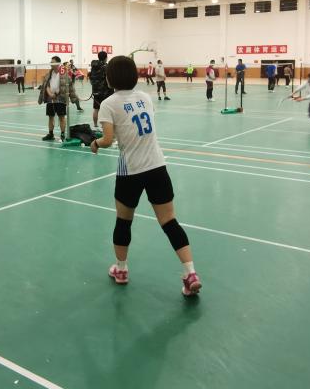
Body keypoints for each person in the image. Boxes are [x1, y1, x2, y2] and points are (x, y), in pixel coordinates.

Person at [90, 55, 202, 296]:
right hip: (157, 167)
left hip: (130, 171)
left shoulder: (109, 104)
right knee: (170, 221)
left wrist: (95, 143)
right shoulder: (145, 97)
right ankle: (190, 273)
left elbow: (108, 140)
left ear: (110, 78)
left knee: (123, 221)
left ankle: (121, 270)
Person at [38, 56, 78, 141]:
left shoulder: (64, 74)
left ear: (58, 63)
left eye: (53, 62)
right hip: (50, 99)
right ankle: (50, 134)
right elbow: (46, 85)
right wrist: (49, 94)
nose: (51, 63)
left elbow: (69, 86)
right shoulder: (49, 74)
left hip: (60, 98)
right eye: (51, 62)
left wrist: (73, 98)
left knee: (61, 117)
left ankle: (62, 134)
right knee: (50, 117)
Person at [90, 51, 111, 126]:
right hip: (105, 92)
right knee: (106, 109)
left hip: (96, 91)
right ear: (106, 58)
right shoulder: (106, 67)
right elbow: (109, 78)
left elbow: (91, 77)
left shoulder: (93, 66)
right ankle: (104, 126)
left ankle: (95, 124)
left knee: (96, 109)